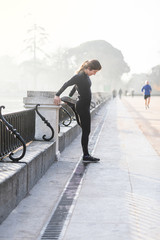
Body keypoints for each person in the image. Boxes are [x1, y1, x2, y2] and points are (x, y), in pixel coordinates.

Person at [54, 59, 102, 163]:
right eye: (94, 71)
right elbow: (67, 84)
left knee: (85, 128)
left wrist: (70, 96)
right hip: (82, 106)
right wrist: (57, 95)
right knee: (86, 130)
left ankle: (72, 105)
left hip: (84, 106)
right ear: (89, 68)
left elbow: (76, 87)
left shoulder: (85, 76)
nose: (94, 74)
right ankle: (86, 155)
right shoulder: (79, 76)